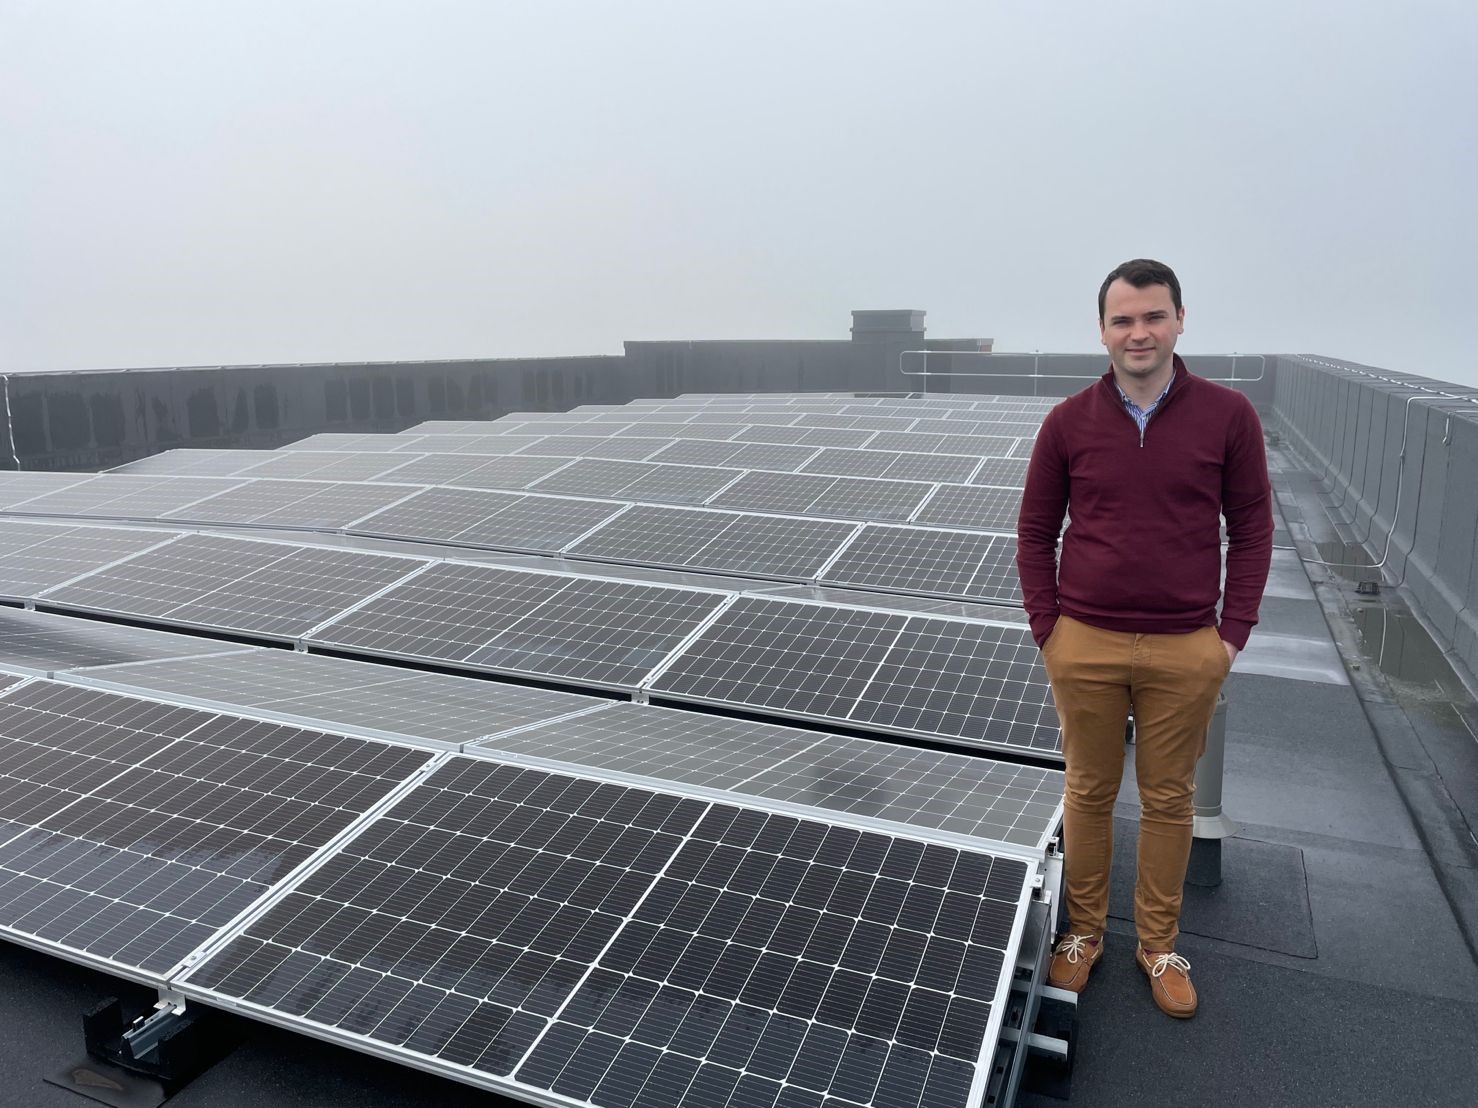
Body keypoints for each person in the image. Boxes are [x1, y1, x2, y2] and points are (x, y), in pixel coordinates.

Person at [1015, 258, 1273, 1018]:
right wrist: (1048, 630)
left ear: (1180, 321)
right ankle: (1083, 936)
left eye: (1153, 316)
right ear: (1102, 330)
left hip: (1185, 645)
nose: (1139, 332)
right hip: (1084, 641)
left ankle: (1158, 945)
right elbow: (1035, 532)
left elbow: (1253, 530)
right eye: (1123, 319)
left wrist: (1230, 637)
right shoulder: (1067, 422)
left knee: (1168, 800)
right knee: (1088, 793)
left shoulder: (1229, 416)